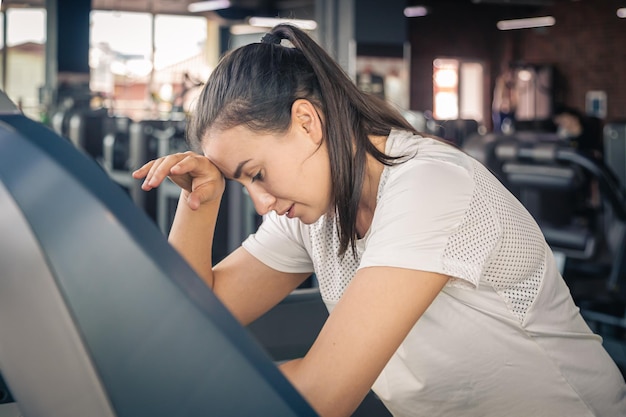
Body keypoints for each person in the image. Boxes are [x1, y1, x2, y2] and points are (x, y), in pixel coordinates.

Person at [132, 24, 626, 417]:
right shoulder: (310, 210)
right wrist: (202, 200)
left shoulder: (429, 186)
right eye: (242, 184)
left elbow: (323, 395)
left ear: (308, 122)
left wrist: (161, 397)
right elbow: (193, 321)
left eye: (257, 174)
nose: (261, 203)